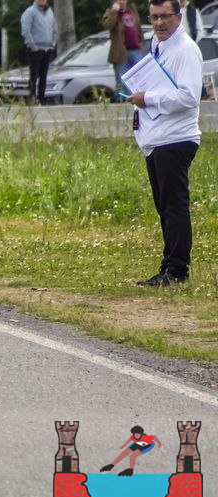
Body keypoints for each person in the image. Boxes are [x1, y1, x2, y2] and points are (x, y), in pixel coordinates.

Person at [129, 0, 202, 286]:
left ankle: (178, 271)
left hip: (176, 138)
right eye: (154, 17)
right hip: (157, 139)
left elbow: (189, 97)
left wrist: (148, 98)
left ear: (178, 17)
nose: (159, 23)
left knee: (174, 207)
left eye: (165, 17)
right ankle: (169, 266)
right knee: (165, 207)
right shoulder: (159, 45)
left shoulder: (185, 50)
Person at [103, 1, 145, 100]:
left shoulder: (131, 9)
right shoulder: (110, 11)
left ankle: (137, 100)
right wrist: (114, 11)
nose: (122, 1)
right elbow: (108, 26)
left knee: (139, 77)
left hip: (136, 50)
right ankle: (121, 102)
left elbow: (138, 26)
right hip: (121, 52)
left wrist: (141, 41)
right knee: (121, 81)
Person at [21, 0, 58, 105]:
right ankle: (31, 100)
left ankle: (42, 100)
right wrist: (33, 46)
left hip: (47, 49)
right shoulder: (30, 12)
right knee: (33, 76)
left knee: (43, 76)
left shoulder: (50, 12)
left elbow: (55, 29)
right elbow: (25, 30)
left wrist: (53, 43)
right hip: (35, 50)